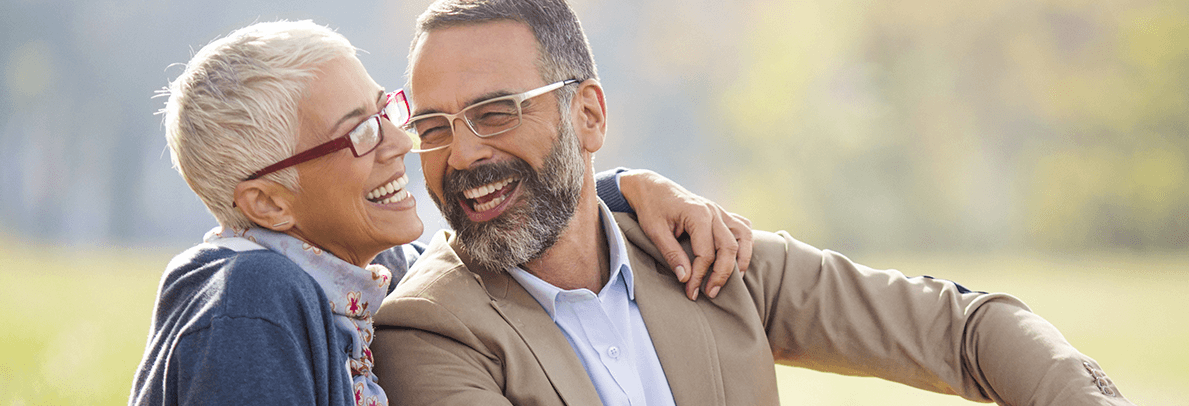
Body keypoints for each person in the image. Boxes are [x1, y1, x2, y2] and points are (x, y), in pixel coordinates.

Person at [371, 1, 1134, 405]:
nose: (463, 155)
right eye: (433, 128)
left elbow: (962, 330)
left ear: (590, 116)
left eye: (497, 112)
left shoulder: (706, 255)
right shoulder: (427, 329)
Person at [129, 20, 752, 406]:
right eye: (360, 135)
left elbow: (506, 233)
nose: (403, 143)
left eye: (387, 112)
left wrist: (625, 189)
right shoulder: (251, 304)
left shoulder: (374, 276)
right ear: (267, 202)